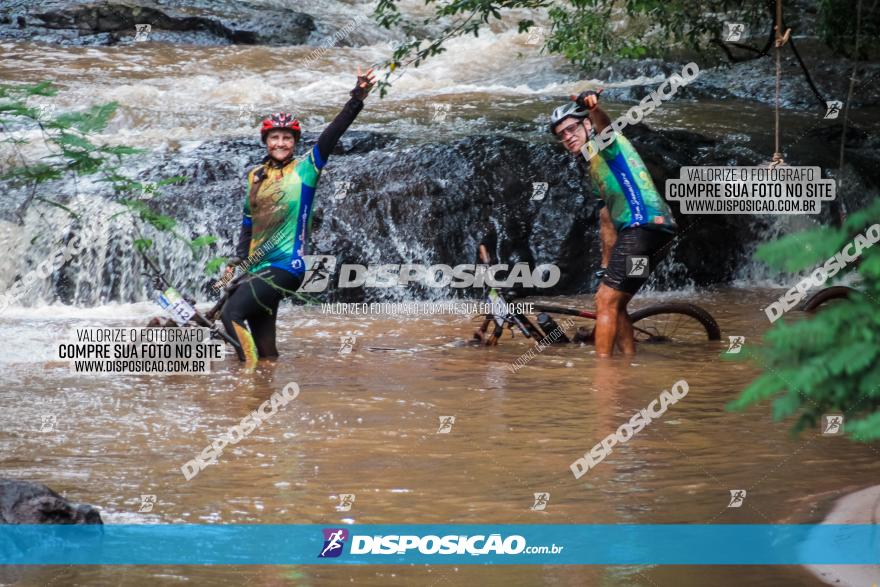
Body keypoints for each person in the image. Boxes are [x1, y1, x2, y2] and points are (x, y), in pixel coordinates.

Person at [221, 67, 376, 363]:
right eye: (275, 137)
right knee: (267, 349)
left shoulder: (307, 169)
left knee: (231, 314)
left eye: (287, 138)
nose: (280, 143)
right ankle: (263, 384)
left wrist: (357, 97)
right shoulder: (255, 176)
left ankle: (247, 377)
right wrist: (239, 261)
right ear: (266, 141)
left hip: (287, 266)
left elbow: (333, 133)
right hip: (257, 268)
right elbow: (247, 223)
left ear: (294, 142)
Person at [549, 90, 678, 357]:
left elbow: (605, 125)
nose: (567, 137)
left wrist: (593, 108)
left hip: (642, 227)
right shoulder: (596, 166)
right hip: (656, 237)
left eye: (571, 128)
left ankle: (604, 377)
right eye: (561, 135)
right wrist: (604, 267)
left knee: (604, 302)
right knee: (616, 304)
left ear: (586, 124)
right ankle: (627, 365)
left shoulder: (606, 143)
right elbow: (606, 217)